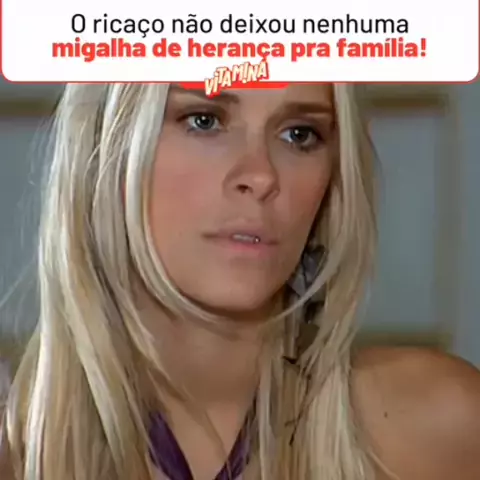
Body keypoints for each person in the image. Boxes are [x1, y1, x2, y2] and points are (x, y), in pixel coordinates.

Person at [1, 83, 480, 480]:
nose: (261, 175)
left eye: (299, 134)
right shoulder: (19, 456)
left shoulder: (438, 430)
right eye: (204, 120)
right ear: (107, 144)